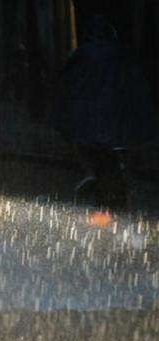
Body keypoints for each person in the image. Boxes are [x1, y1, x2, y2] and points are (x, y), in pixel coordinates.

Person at [54, 15, 156, 210]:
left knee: (86, 147)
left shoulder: (82, 55)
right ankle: (118, 188)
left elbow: (67, 84)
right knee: (114, 154)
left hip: (91, 117)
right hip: (115, 118)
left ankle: (93, 175)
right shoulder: (121, 55)